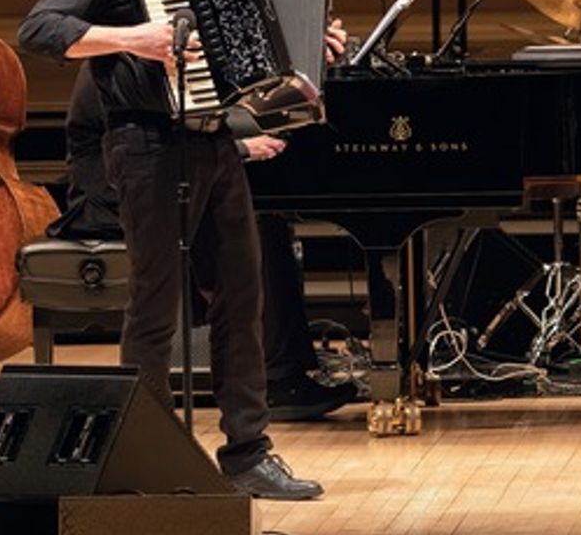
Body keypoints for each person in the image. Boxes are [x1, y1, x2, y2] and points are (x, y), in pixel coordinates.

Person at [18, 0, 323, 501]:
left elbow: (230, 61)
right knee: (154, 307)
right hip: (146, 147)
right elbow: (40, 28)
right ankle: (146, 458)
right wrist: (135, 37)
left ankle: (247, 453)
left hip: (212, 138)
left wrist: (301, 55)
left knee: (241, 297)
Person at [56, 63, 359, 421]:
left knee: (261, 228)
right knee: (258, 232)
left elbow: (197, 125)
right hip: (107, 196)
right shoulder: (124, 61)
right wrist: (240, 149)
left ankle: (283, 374)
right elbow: (152, 141)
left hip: (157, 176)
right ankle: (277, 375)